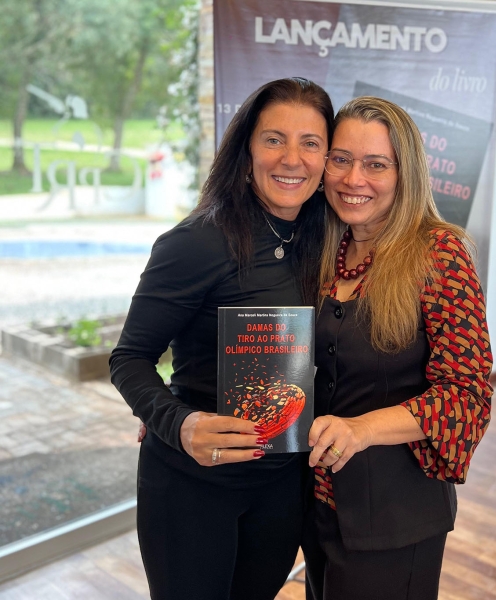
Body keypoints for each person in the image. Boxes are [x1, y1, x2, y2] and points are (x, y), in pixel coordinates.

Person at [109, 77, 334, 600]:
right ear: (247, 149)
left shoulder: (327, 238)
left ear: (327, 158)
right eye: (274, 139)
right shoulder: (197, 242)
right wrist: (177, 422)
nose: (292, 159)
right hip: (193, 484)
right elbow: (129, 358)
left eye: (310, 143)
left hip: (281, 485)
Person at [301, 97, 493, 600]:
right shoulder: (324, 245)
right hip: (318, 505)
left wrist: (361, 429)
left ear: (405, 174)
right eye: (341, 159)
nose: (353, 178)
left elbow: (466, 398)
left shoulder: (440, 255)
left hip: (394, 517)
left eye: (376, 164)